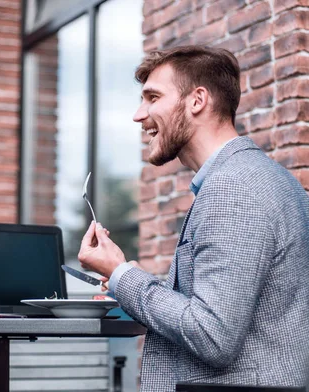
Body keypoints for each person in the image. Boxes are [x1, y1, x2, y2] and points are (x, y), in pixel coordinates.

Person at [78, 45, 309, 391]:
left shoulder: (233, 189)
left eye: (152, 97)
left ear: (197, 100)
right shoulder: (257, 178)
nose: (139, 115)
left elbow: (212, 335)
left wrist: (121, 274)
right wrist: (142, 280)